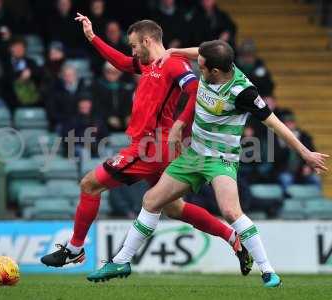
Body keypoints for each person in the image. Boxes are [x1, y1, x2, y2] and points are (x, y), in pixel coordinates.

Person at [89, 41, 329, 287]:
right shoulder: (216, 63)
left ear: (215, 71)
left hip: (221, 159)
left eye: (201, 67)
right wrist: (174, 52)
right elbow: (200, 53)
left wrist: (305, 152)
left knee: (231, 212)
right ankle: (121, 260)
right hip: (193, 154)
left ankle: (268, 271)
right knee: (151, 201)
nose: (197, 70)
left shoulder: (243, 92)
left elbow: (274, 123)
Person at [41, 15, 253, 277]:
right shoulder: (149, 64)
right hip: (156, 146)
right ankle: (231, 236)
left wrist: (179, 125)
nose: (132, 51)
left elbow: (197, 91)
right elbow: (120, 62)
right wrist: (93, 38)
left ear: (147, 40)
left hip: (151, 147)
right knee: (174, 208)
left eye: (133, 46)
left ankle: (75, 249)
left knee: (89, 184)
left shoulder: (174, 65)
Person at [273, 110, 322, 194]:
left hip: (301, 171)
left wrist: (308, 167)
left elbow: (312, 153)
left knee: (315, 179)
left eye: (291, 122)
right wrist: (286, 145)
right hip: (284, 171)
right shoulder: (275, 138)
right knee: (285, 179)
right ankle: (288, 204)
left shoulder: (304, 136)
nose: (290, 125)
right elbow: (275, 159)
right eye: (287, 123)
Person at [92, 62, 133, 132]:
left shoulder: (125, 87)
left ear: (120, 73)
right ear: (104, 72)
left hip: (122, 122)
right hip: (105, 123)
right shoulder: (98, 86)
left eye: (115, 72)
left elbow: (128, 104)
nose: (111, 75)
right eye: (108, 72)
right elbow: (97, 106)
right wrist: (108, 117)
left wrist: (128, 115)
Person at [44, 64, 86, 132]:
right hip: (63, 123)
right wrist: (67, 120)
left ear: (76, 76)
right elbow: (52, 111)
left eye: (71, 75)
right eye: (66, 75)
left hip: (82, 122)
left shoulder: (84, 89)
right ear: (62, 76)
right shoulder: (55, 91)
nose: (68, 77)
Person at [2, 36, 42, 109]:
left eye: (21, 47)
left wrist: (31, 73)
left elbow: (39, 75)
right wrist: (20, 77)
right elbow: (5, 79)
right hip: (11, 99)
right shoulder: (5, 64)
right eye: (16, 47)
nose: (19, 50)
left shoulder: (31, 62)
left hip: (31, 98)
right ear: (10, 49)